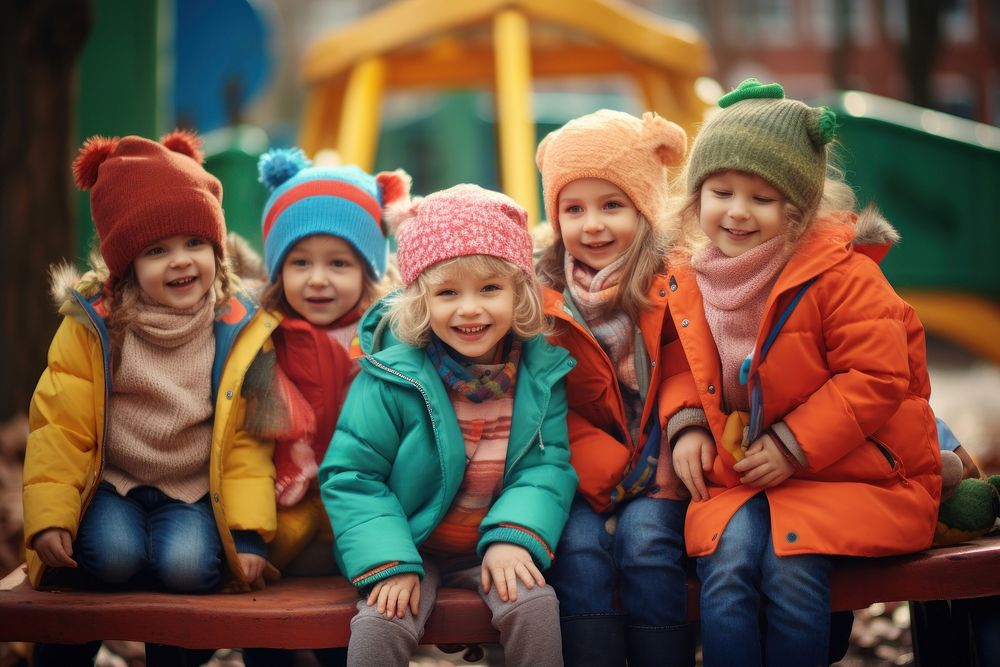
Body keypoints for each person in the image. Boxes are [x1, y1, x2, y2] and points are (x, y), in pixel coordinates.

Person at [661, 79, 941, 666]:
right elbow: (680, 359)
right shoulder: (691, 276)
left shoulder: (842, 276)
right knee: (728, 556)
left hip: (849, 466)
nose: (737, 212)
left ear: (800, 208)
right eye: (721, 191)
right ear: (696, 195)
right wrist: (687, 421)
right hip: (744, 468)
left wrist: (793, 444)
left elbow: (877, 375)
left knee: (791, 567)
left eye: (762, 199)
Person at [23, 131, 278, 665]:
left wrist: (248, 535)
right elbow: (60, 426)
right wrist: (51, 516)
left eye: (195, 244)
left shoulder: (237, 327)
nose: (181, 262)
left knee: (187, 567)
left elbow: (249, 441)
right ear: (127, 265)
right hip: (113, 486)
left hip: (190, 493)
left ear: (216, 248)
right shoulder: (98, 326)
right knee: (111, 556)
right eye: (156, 251)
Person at [319, 184, 578, 667]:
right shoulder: (393, 378)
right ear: (421, 301)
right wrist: (389, 562)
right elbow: (353, 477)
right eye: (447, 293)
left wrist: (512, 534)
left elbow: (546, 467)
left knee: (534, 603)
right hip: (408, 541)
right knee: (384, 617)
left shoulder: (539, 375)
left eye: (489, 289)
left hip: (489, 543)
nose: (469, 308)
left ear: (519, 292)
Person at [533, 108, 694, 666]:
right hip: (580, 472)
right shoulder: (543, 297)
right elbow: (545, 403)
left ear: (645, 209)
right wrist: (608, 475)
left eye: (612, 205)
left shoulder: (674, 282)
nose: (592, 225)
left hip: (661, 462)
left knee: (646, 544)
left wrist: (651, 464)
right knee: (576, 548)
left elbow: (687, 371)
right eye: (573, 209)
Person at [241, 149, 410, 667]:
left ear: (368, 268)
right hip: (283, 499)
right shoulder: (263, 335)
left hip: (359, 502)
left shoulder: (386, 336)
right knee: (263, 600)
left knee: (350, 599)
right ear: (278, 268)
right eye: (300, 262)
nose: (318, 279)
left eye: (338, 262)